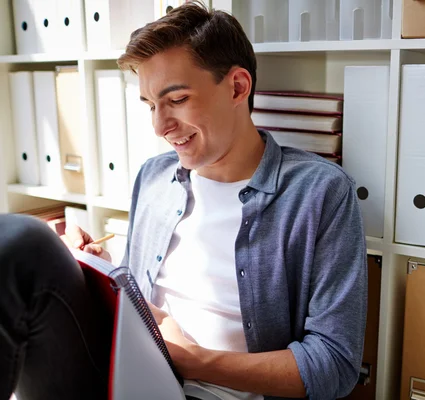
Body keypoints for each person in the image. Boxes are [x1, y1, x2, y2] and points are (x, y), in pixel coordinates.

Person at [0, 2, 368, 399]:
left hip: (211, 390)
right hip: (131, 376)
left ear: (237, 87)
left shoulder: (319, 193)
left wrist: (194, 360)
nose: (160, 126)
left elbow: (334, 364)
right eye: (150, 105)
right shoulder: (155, 176)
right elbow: (143, 308)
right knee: (24, 245)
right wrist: (100, 274)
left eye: (176, 100)